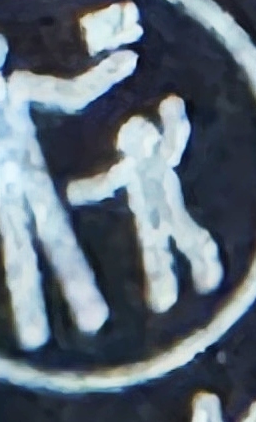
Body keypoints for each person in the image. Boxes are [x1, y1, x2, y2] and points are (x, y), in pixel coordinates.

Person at [0, 24, 135, 350]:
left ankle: (87, 311)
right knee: (20, 252)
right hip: (5, 189)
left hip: (33, 178)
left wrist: (110, 70)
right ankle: (33, 325)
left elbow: (70, 94)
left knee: (54, 241)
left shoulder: (17, 85)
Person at [69, 96, 223, 314]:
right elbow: (103, 185)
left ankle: (206, 271)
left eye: (146, 128)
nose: (149, 131)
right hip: (149, 223)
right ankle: (163, 291)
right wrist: (76, 192)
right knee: (156, 257)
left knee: (192, 240)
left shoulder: (163, 156)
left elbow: (176, 137)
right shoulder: (127, 169)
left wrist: (173, 114)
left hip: (172, 214)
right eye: (141, 131)